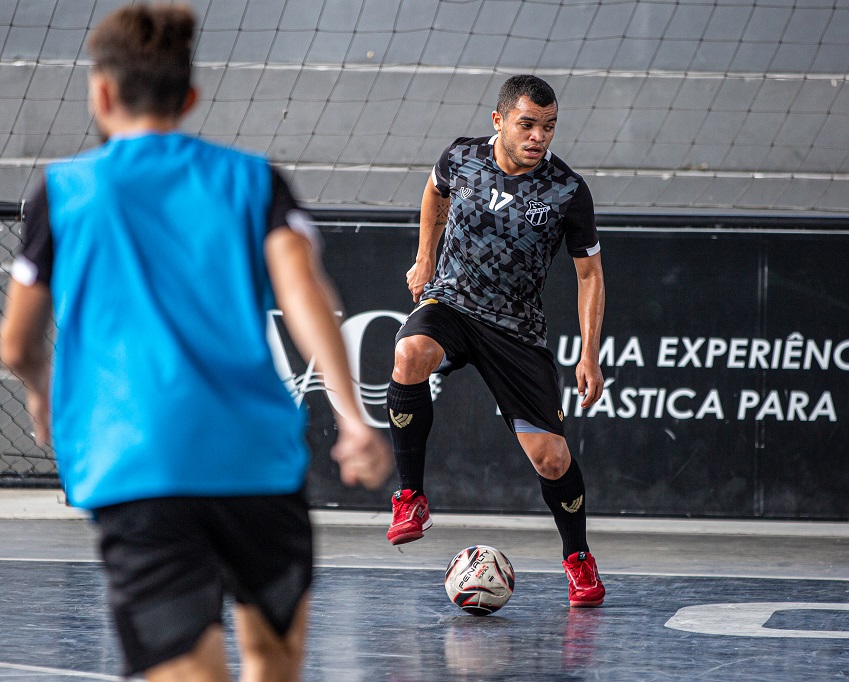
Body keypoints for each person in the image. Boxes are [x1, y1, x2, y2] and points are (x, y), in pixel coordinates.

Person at [0, 4, 392, 680]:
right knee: (274, 662)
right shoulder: (254, 180)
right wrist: (353, 417)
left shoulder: (64, 192)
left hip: (137, 464)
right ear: (189, 98)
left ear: (101, 92)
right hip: (255, 462)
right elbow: (305, 290)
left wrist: (42, 390)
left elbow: (15, 345)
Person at [386, 74, 606, 607]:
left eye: (548, 127)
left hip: (515, 331)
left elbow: (590, 275)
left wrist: (589, 354)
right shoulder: (461, 157)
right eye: (527, 124)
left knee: (551, 460)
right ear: (499, 121)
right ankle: (410, 497)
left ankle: (578, 558)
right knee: (409, 351)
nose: (538, 137)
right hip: (452, 304)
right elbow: (434, 190)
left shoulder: (567, 191)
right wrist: (424, 257)